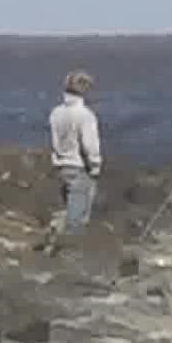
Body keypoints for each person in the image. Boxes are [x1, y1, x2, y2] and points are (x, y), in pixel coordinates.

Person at [48, 70, 102, 234]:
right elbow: (89, 145)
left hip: (61, 166)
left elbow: (55, 140)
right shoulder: (85, 115)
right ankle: (70, 252)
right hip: (79, 168)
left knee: (68, 210)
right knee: (77, 219)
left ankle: (57, 242)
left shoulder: (56, 112)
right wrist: (95, 165)